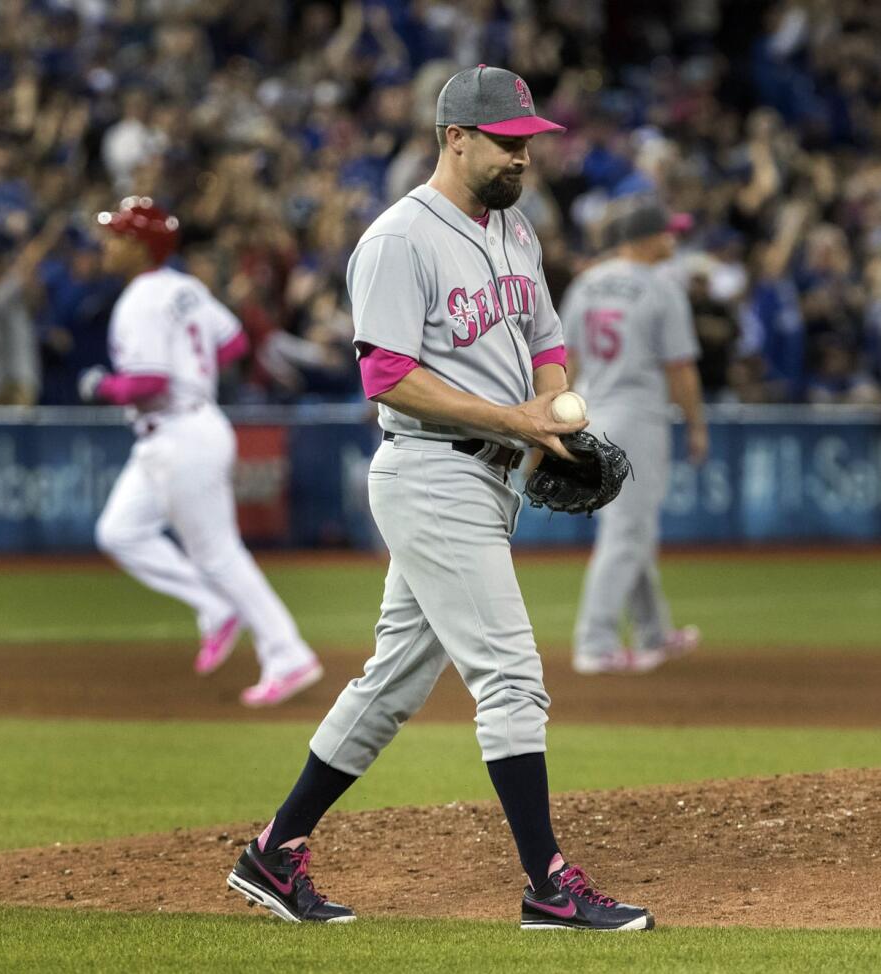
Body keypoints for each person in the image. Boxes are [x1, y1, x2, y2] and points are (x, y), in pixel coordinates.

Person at [226, 66, 656, 932]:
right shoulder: (398, 240)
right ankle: (548, 884)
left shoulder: (517, 231)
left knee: (390, 684)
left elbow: (545, 341)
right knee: (511, 677)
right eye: (507, 143)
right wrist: (516, 419)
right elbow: (387, 377)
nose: (521, 159)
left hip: (493, 474)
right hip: (430, 471)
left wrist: (551, 416)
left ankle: (274, 853)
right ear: (454, 137)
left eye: (529, 144)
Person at [80, 197, 323, 706]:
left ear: (137, 245)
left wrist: (101, 386)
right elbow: (233, 344)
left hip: (179, 432)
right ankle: (215, 608)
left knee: (219, 554)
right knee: (119, 531)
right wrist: (195, 368)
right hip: (181, 430)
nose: (107, 244)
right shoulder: (186, 287)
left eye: (116, 236)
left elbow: (147, 382)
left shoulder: (140, 300)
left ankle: (287, 653)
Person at [562, 197, 708, 675]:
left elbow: (567, 360)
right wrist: (696, 424)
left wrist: (562, 418)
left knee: (631, 527)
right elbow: (680, 369)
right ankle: (595, 642)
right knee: (627, 532)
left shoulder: (586, 284)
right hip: (636, 417)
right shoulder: (662, 289)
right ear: (644, 239)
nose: (674, 239)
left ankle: (652, 633)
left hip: (591, 412)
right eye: (667, 232)